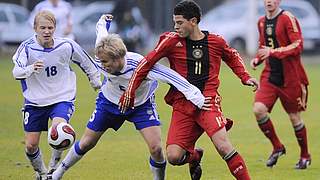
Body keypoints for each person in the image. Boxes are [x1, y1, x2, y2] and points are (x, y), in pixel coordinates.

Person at [51, 14, 211, 180]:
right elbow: (101, 33)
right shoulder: (102, 53)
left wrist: (196, 97)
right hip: (109, 102)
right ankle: (57, 174)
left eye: (106, 62)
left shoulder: (141, 65)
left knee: (156, 149)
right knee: (86, 143)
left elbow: (172, 76)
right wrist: (103, 22)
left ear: (119, 58)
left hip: (140, 105)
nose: (102, 65)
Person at [119, 1, 259, 179]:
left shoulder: (216, 41)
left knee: (223, 146)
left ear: (193, 21)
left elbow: (232, 56)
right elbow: (146, 64)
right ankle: (195, 156)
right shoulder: (170, 41)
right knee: (173, 157)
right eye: (174, 22)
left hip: (208, 101)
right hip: (182, 104)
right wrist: (130, 91)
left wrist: (245, 77)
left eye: (179, 23)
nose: (175, 27)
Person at [12, 10, 101, 179]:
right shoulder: (27, 48)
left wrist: (95, 80)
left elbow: (86, 61)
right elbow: (16, 72)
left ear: (55, 28)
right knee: (31, 145)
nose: (47, 31)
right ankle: (42, 172)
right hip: (35, 101)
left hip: (62, 97)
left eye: (50, 28)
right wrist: (30, 69)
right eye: (43, 27)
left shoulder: (66, 45)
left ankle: (53, 165)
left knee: (59, 129)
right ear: (35, 28)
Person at [250, 0, 310, 169]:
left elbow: (298, 45)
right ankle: (277, 147)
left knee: (294, 117)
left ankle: (305, 155)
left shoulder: (287, 18)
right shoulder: (261, 21)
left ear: (279, 1)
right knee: (258, 110)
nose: (269, 1)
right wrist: (257, 59)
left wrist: (273, 52)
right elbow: (264, 46)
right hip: (270, 75)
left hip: (291, 77)